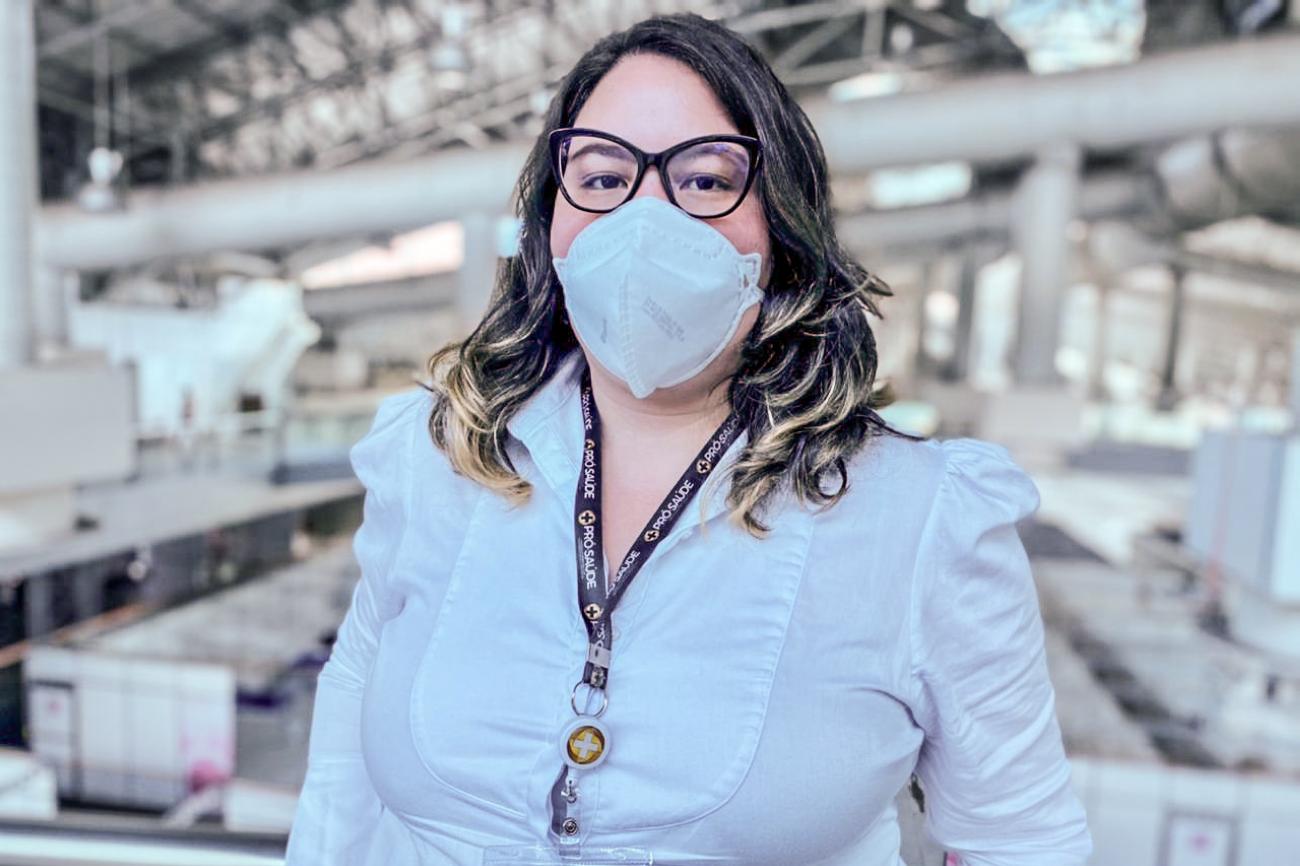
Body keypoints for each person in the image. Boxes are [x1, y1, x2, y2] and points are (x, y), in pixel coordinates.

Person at [285, 12, 1093, 866]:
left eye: (705, 181)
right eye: (602, 177)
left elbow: (1022, 844)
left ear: (782, 231)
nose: (645, 222)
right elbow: (345, 754)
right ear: (549, 224)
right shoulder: (438, 455)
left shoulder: (920, 518)